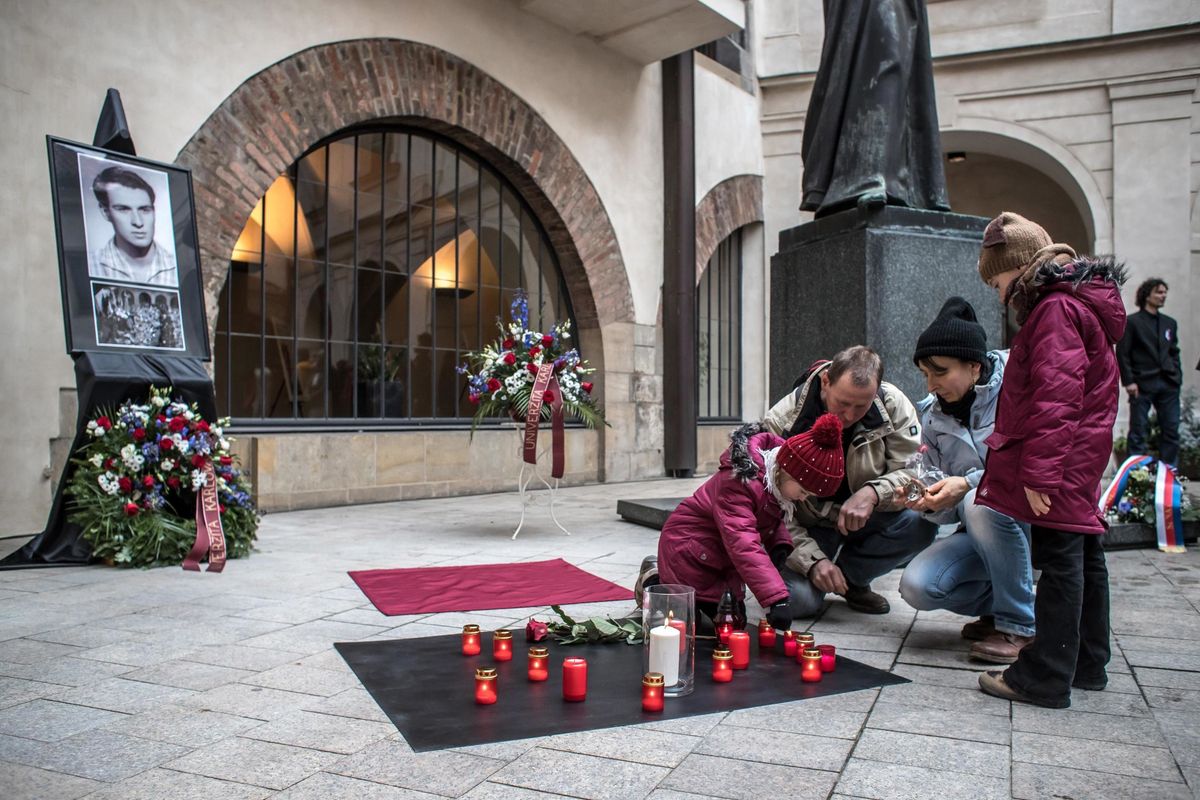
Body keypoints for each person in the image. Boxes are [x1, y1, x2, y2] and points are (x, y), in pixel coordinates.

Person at [972, 211, 1126, 709]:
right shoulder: (1073, 304)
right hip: (1079, 454)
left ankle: (1043, 675)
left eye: (996, 281)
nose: (997, 294)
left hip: (1060, 458)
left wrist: (1039, 471)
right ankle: (1085, 661)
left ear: (1018, 268)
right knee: (1082, 554)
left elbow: (1057, 398)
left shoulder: (1055, 310)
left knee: (1060, 561)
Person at [898, 297, 1035, 663]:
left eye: (939, 372)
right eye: (925, 373)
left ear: (974, 366)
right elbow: (950, 511)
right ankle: (1003, 608)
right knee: (917, 586)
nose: (930, 385)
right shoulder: (931, 418)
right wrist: (929, 502)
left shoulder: (1017, 387)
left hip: (1034, 522)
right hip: (978, 530)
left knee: (980, 499)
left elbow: (1028, 462)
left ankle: (1020, 626)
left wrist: (968, 484)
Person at [762, 345, 937, 616]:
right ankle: (821, 575)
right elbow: (768, 506)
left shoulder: (894, 405)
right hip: (805, 527)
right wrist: (812, 562)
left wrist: (873, 493)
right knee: (796, 602)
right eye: (842, 403)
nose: (849, 415)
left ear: (877, 390)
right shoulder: (782, 421)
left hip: (868, 518)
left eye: (861, 406)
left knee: (921, 524)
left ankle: (851, 579)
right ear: (826, 381)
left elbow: (916, 472)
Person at [637, 413, 846, 632]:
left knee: (733, 626)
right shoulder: (739, 483)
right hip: (688, 554)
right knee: (687, 629)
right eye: (803, 491)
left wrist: (780, 545)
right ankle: (655, 582)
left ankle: (665, 582)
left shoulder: (774, 484)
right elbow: (743, 543)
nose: (803, 498)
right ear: (785, 469)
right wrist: (776, 599)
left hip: (719, 561)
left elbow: (769, 518)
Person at [1117, 278, 1181, 466]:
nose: (1163, 296)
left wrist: (1176, 376)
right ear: (1147, 295)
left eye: (1164, 292)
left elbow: (1174, 351)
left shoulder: (1170, 323)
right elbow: (1123, 353)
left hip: (1168, 384)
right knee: (1138, 431)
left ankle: (1170, 477)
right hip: (1142, 384)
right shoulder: (1132, 322)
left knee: (1171, 430)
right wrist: (1129, 381)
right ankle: (1136, 476)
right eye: (1159, 292)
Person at [89, 166, 178, 287]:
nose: (138, 222)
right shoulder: (91, 265)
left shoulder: (178, 266)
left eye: (145, 210)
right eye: (123, 209)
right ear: (105, 212)